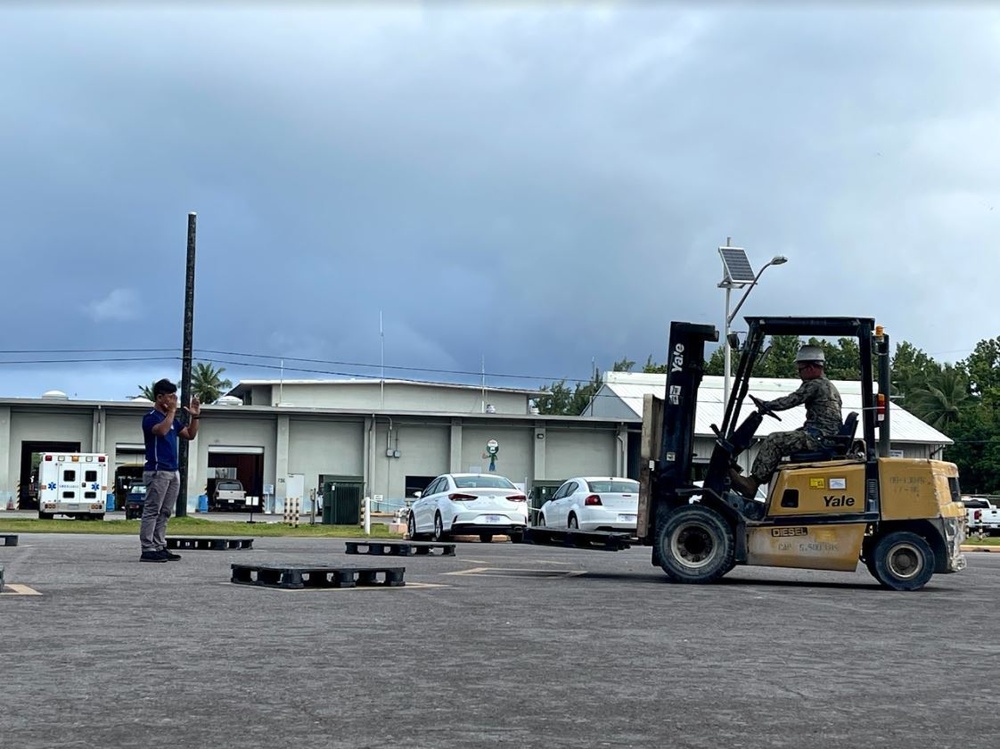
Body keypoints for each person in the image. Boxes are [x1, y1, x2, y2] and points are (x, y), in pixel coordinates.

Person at [730, 345, 843, 499]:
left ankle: (752, 483)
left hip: (819, 439)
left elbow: (791, 400)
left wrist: (768, 405)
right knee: (789, 437)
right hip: (823, 436)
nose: (799, 373)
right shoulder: (829, 386)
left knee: (774, 440)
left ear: (810, 367)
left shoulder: (815, 384)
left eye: (800, 369)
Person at [139, 379, 200, 562]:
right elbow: (161, 431)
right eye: (171, 397)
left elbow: (189, 435)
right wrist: (172, 411)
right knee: (152, 510)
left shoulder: (172, 419)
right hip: (158, 471)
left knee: (165, 511)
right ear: (159, 397)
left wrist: (195, 417)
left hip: (173, 471)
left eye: (175, 396)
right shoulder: (151, 417)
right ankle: (147, 548)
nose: (174, 400)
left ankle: (159, 545)